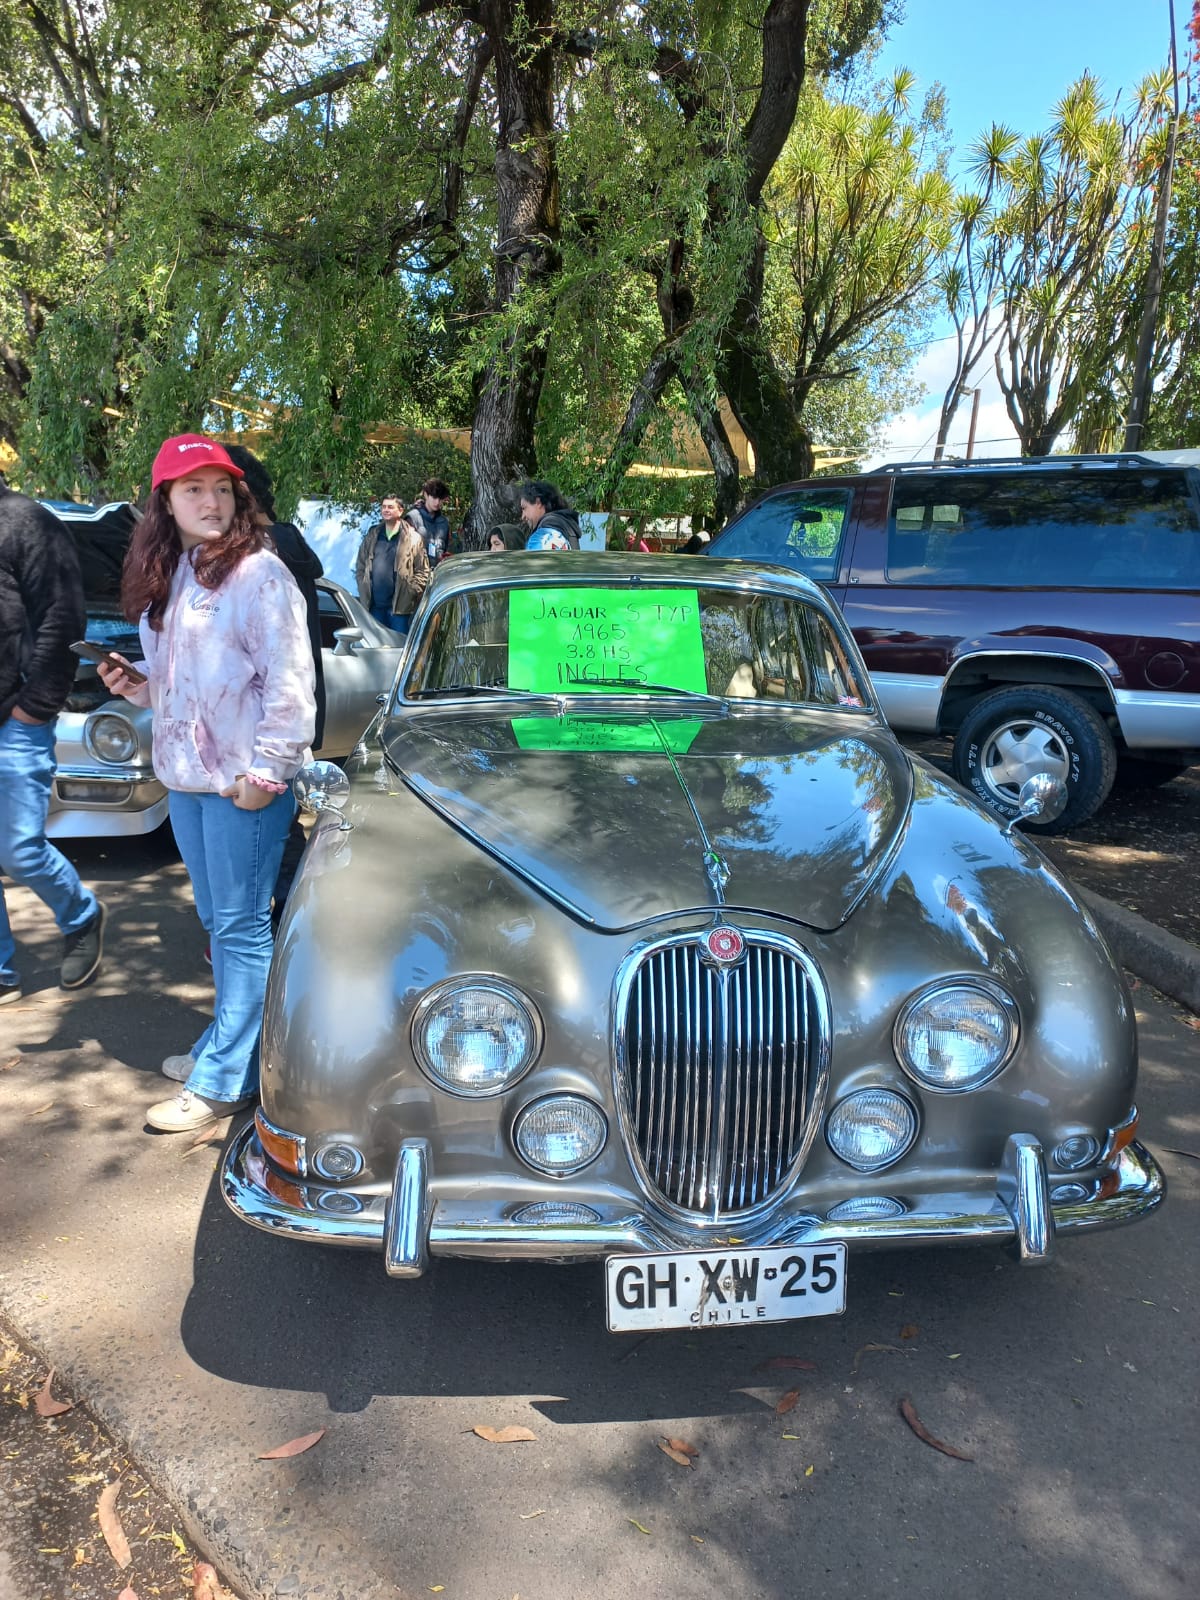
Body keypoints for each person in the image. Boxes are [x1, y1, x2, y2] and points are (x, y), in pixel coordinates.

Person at [98, 434, 315, 1133]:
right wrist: (137, 685)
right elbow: (184, 684)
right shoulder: (175, 574)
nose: (212, 501)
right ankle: (231, 1047)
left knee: (243, 927)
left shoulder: (260, 575)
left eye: (221, 488)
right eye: (193, 489)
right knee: (219, 923)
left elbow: (291, 685)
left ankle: (225, 1079)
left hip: (239, 785)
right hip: (186, 781)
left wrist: (267, 773)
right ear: (165, 500)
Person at [0, 487, 105, 1003]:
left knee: (19, 850)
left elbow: (62, 620)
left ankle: (82, 915)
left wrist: (34, 706)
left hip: (16, 720)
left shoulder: (27, 521)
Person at [225, 445, 325, 930]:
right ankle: (292, 913)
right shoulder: (289, 542)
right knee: (284, 823)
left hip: (269, 716)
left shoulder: (261, 556)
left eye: (220, 489)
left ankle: (282, 921)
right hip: (297, 706)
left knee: (270, 824)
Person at [354, 493, 430, 635]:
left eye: (390, 507)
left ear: (400, 511)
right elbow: (361, 565)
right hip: (374, 608)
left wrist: (411, 591)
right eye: (384, 507)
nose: (386, 510)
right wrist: (362, 583)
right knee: (376, 646)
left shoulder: (413, 539)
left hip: (400, 611)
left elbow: (423, 571)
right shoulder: (372, 536)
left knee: (399, 646)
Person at [517, 481, 582, 550]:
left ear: (538, 502)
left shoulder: (544, 536)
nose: (523, 516)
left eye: (524, 508)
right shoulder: (565, 527)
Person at [405, 479, 451, 565]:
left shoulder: (444, 522)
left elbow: (446, 550)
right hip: (417, 571)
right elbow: (404, 553)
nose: (437, 502)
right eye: (434, 497)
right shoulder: (412, 518)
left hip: (438, 571)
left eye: (440, 499)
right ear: (426, 495)